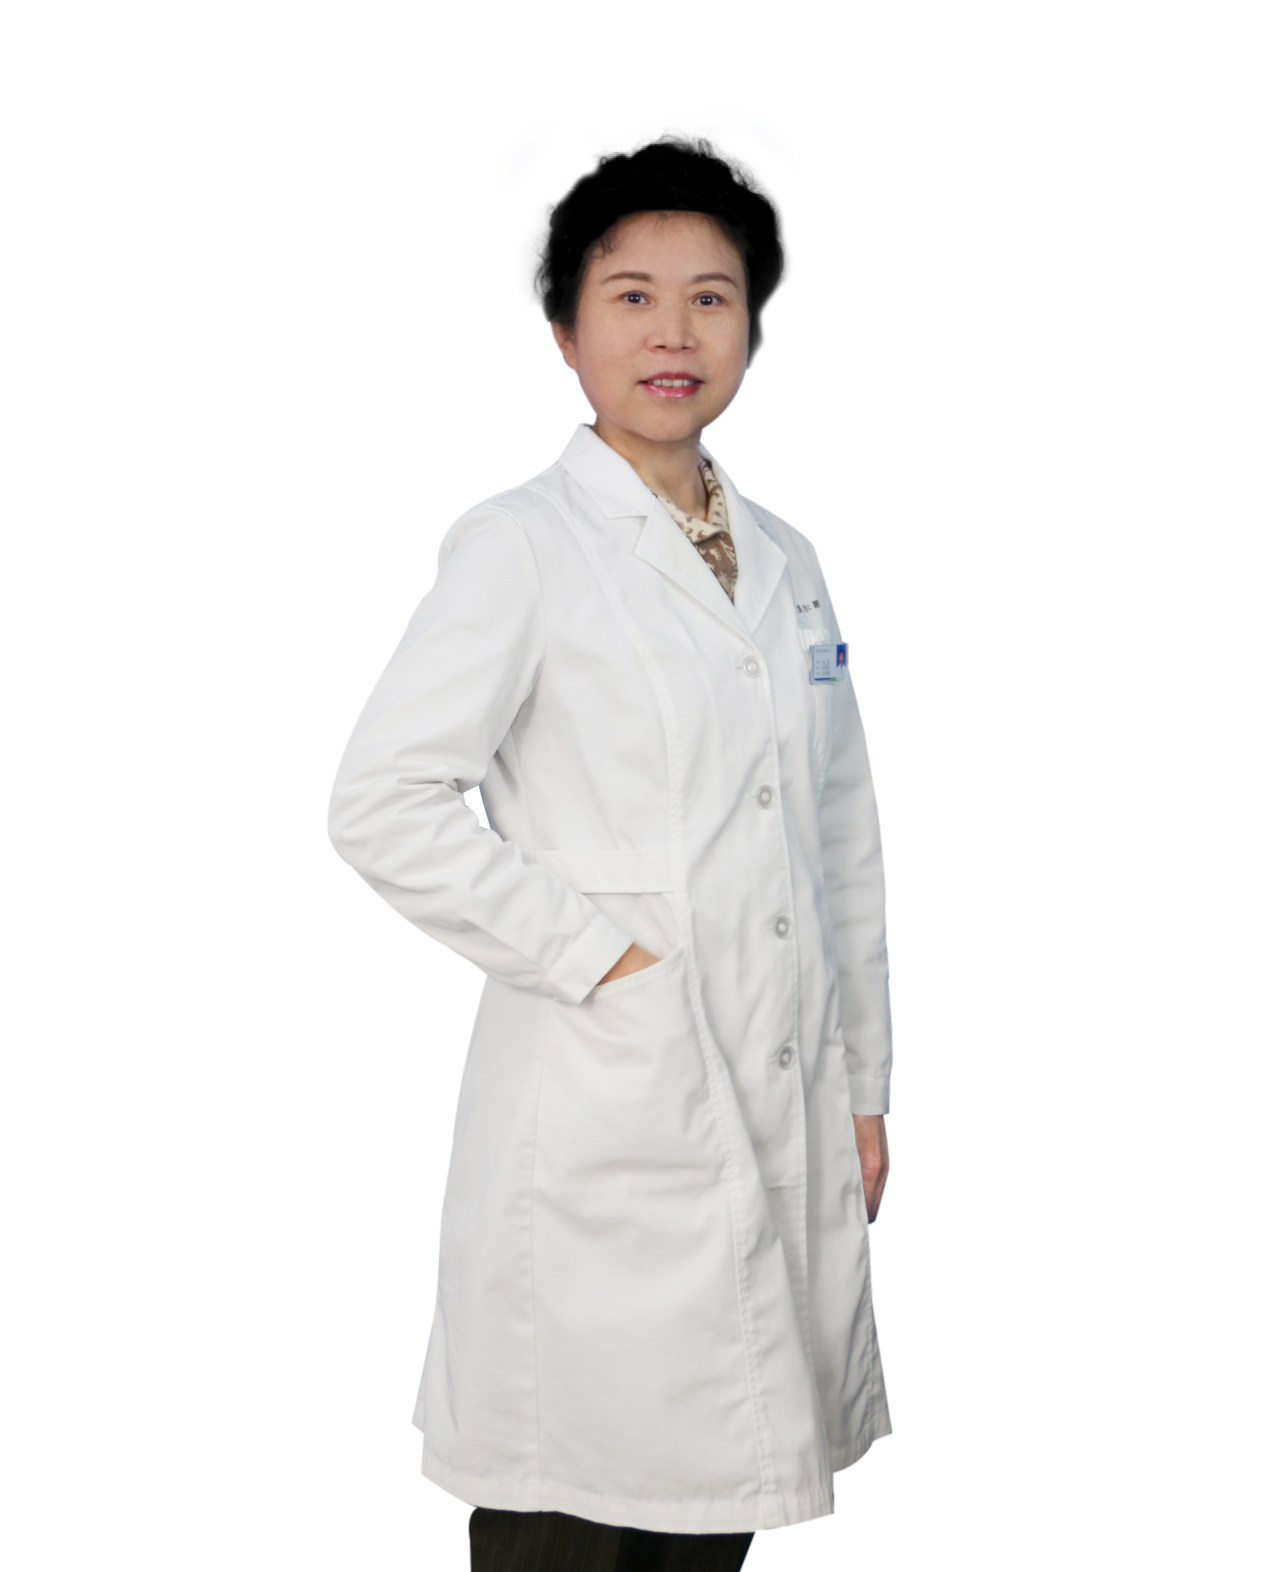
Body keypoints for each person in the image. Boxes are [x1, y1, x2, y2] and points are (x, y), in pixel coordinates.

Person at [328, 136, 894, 1572]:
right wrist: (605, 957)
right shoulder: (521, 545)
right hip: (601, 1094)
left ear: (752, 328)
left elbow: (836, 838)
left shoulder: (786, 559)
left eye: (712, 299)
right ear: (566, 331)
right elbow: (384, 799)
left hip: (775, 1087)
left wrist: (862, 1086)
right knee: (570, 1507)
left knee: (718, 1503)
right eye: (632, 297)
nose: (673, 334)